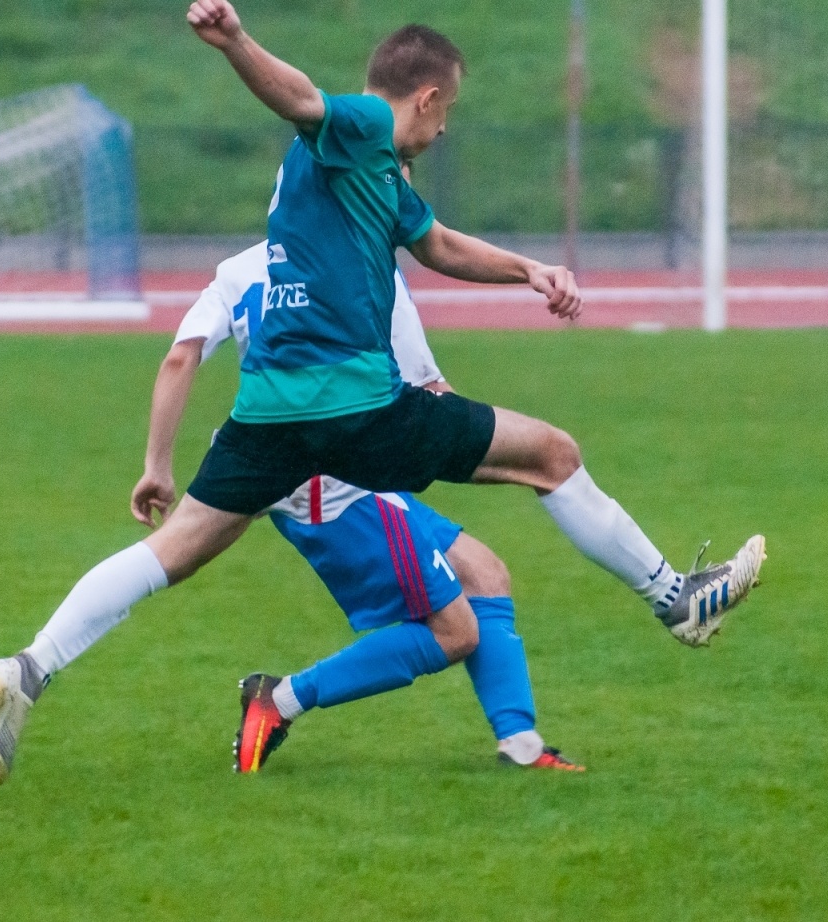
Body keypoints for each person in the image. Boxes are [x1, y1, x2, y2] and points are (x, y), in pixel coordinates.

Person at [0, 0, 765, 784]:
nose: (445, 126)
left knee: (169, 551)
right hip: (358, 407)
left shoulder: (379, 177)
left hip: (267, 412)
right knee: (551, 454)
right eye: (446, 110)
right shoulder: (361, 127)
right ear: (423, 97)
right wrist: (236, 41)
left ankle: (28, 670)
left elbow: (439, 243)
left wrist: (529, 269)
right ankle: (675, 599)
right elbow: (299, 98)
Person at [162, 241, 583, 772]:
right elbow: (421, 382)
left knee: (484, 572)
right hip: (334, 484)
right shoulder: (344, 257)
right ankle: (280, 699)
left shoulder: (277, 263)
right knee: (455, 631)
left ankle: (521, 745)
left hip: (355, 461)